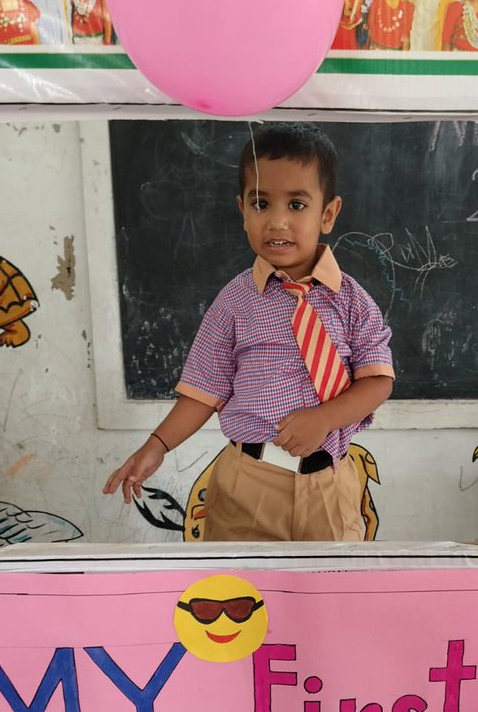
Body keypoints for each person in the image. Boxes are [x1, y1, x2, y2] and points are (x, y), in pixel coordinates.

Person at [103, 123, 394, 542]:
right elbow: (204, 389)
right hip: (246, 485)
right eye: (261, 203)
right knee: (243, 594)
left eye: (297, 204)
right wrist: (156, 446)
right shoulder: (235, 301)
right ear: (242, 211)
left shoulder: (351, 300)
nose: (277, 221)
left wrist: (324, 419)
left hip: (329, 486)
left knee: (328, 597)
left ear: (327, 214)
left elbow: (378, 381)